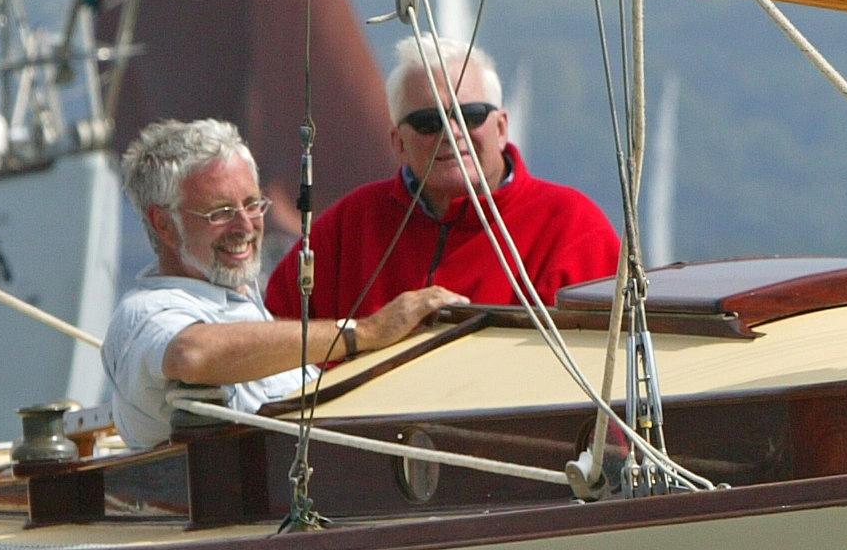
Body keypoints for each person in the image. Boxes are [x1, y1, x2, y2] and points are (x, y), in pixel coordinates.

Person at [107, 117, 465, 454]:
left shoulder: (245, 306)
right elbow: (190, 354)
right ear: (165, 225)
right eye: (221, 213)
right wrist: (366, 332)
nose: (245, 227)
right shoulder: (145, 311)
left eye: (251, 204)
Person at [262, 32, 622, 326]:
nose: (451, 133)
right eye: (428, 122)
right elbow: (277, 332)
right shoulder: (349, 226)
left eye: (471, 115)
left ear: (501, 128)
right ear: (398, 143)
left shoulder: (573, 226)